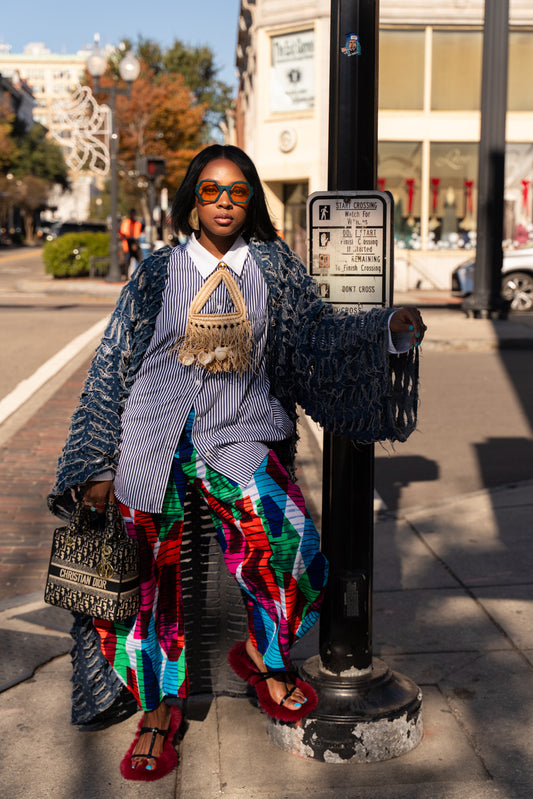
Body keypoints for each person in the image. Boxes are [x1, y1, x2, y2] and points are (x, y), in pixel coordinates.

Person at [48, 144, 425, 782]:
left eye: (237, 192)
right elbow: (116, 362)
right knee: (147, 587)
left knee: (295, 551)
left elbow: (318, 341)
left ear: (250, 201)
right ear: (193, 201)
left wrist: (386, 329)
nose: (224, 202)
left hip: (241, 433)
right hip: (150, 439)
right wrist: (98, 459)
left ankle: (261, 654)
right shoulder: (158, 269)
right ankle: (160, 710)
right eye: (211, 191)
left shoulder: (276, 268)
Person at [119, 208, 143, 273]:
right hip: (127, 246)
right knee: (126, 262)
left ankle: (143, 275)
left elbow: (138, 235)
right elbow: (123, 235)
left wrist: (135, 244)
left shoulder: (138, 223)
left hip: (135, 244)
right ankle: (125, 276)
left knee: (141, 261)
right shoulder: (126, 223)